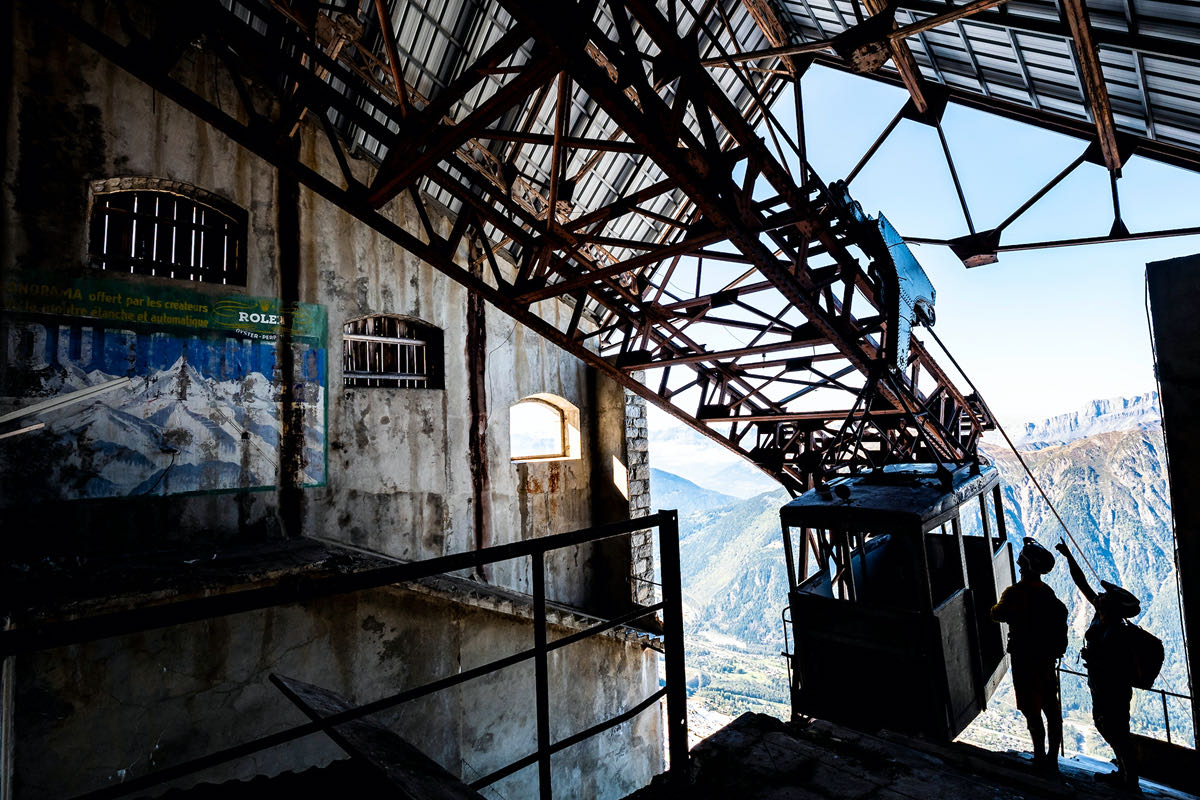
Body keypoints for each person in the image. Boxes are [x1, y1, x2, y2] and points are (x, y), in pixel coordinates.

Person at [1055, 539, 1143, 792]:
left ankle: (1131, 781)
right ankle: (1125, 774)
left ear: (1112, 605)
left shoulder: (1116, 629)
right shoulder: (1102, 614)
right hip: (1101, 685)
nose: (1100, 595)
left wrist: (1093, 659)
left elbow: (1114, 664)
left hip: (1112, 688)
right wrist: (1068, 555)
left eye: (1105, 595)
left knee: (1116, 729)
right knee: (1107, 726)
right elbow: (1080, 581)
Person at [991, 538, 1067, 773]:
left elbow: (997, 614)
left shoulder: (1014, 593)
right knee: (1051, 709)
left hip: (1024, 661)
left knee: (1032, 711)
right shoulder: (1049, 595)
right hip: (1045, 661)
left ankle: (1039, 757)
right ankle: (1052, 760)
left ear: (1022, 566)